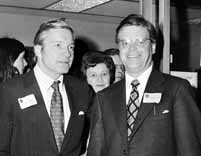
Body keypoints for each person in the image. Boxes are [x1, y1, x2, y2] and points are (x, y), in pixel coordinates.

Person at [87, 14, 201, 156]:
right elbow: (96, 151)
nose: (132, 49)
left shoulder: (177, 89)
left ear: (153, 47)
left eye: (140, 42)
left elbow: (190, 150)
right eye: (125, 43)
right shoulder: (104, 97)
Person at [0, 19, 94, 156]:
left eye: (71, 47)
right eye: (58, 45)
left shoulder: (82, 90)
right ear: (38, 50)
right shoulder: (10, 91)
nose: (68, 54)